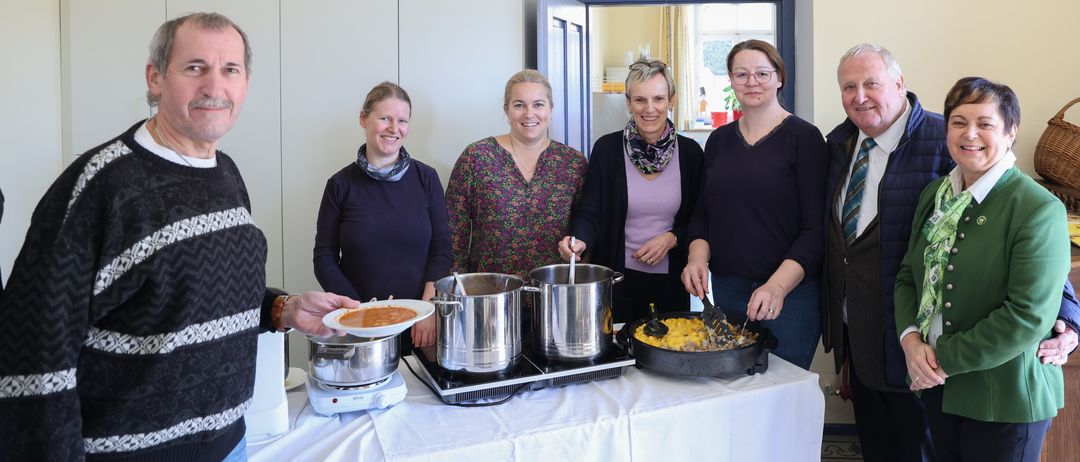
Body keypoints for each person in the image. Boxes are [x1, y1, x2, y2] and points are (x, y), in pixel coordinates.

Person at [0, 13, 356, 460]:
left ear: (246, 83)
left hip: (230, 444)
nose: (214, 86)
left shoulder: (225, 173)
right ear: (155, 79)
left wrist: (283, 309)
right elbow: (31, 353)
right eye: (194, 67)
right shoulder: (98, 188)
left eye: (231, 70)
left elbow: (193, 291)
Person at [821, 43, 1079, 462]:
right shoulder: (840, 146)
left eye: (872, 82)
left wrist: (1070, 316)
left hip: (964, 373)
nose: (860, 95)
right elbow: (902, 265)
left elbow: (1032, 278)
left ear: (900, 84)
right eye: (849, 86)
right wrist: (904, 341)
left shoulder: (947, 145)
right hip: (882, 345)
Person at [895, 77, 1070, 462]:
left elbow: (1027, 316)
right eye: (958, 121)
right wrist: (910, 342)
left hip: (1005, 398)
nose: (969, 133)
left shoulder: (1037, 209)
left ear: (1010, 132)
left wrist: (938, 358)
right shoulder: (935, 195)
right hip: (938, 387)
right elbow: (909, 275)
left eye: (985, 124)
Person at [681, 39, 828, 370]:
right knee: (736, 387)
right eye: (741, 74)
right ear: (731, 80)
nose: (752, 82)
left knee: (781, 391)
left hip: (792, 294)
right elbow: (704, 214)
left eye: (762, 73)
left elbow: (815, 229)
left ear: (779, 78)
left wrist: (777, 287)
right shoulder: (718, 141)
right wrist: (696, 259)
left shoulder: (804, 139)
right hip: (729, 287)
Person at [558, 58, 703, 323]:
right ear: (628, 103)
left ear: (671, 100)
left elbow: (700, 218)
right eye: (640, 100)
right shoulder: (606, 149)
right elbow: (590, 210)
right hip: (617, 280)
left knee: (669, 351)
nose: (650, 109)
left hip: (672, 283)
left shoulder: (691, 154)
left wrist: (672, 238)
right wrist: (577, 239)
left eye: (658, 99)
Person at [313, 82, 450, 348]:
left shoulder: (427, 179)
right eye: (385, 118)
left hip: (420, 327)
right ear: (363, 119)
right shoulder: (340, 185)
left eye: (402, 121)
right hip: (358, 326)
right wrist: (359, 314)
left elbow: (442, 248)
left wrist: (428, 309)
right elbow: (324, 258)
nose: (394, 129)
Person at [446, 70, 587, 278]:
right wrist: (455, 286)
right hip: (489, 295)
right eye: (519, 105)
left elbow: (586, 226)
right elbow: (453, 232)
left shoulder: (573, 163)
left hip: (554, 294)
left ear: (551, 109)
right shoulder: (477, 157)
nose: (529, 114)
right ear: (506, 109)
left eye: (538, 104)